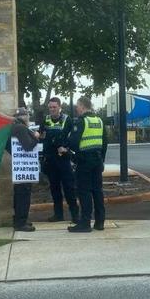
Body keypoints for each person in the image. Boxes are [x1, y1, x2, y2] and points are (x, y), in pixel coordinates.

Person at [65, 96, 108, 233]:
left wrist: (69, 151)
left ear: (83, 106)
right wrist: (102, 160)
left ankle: (85, 223)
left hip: (84, 161)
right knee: (97, 191)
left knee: (84, 192)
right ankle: (100, 222)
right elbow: (104, 143)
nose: (76, 108)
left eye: (77, 106)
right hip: (97, 160)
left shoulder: (81, 121)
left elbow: (73, 142)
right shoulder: (99, 121)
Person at [40, 97, 79, 223]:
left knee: (69, 188)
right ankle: (58, 215)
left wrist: (66, 148)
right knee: (54, 188)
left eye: (54, 107)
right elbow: (40, 135)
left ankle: (75, 216)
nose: (52, 109)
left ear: (59, 107)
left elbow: (73, 138)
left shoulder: (67, 120)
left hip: (63, 159)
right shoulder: (45, 120)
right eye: (50, 107)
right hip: (50, 159)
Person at [7, 107, 40, 231]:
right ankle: (21, 223)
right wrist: (36, 137)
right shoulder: (20, 128)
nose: (28, 118)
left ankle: (20, 221)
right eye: (27, 116)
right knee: (23, 195)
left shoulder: (14, 127)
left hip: (21, 166)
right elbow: (27, 146)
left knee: (20, 194)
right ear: (24, 116)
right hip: (24, 168)